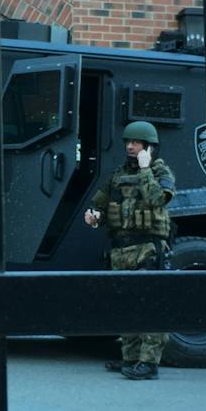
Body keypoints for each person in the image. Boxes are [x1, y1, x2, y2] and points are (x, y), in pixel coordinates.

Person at [84, 121, 176, 379]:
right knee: (126, 306)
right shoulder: (117, 175)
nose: (130, 146)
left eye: (136, 142)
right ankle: (131, 358)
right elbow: (100, 205)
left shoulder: (159, 171)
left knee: (150, 306)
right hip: (121, 250)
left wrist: (146, 168)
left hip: (147, 247)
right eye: (128, 141)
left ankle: (149, 364)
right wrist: (94, 216)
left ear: (148, 146)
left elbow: (157, 198)